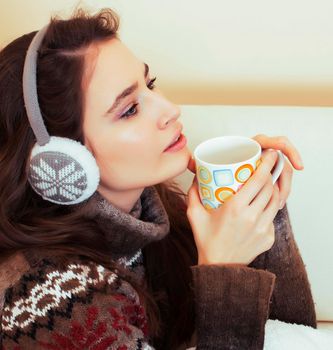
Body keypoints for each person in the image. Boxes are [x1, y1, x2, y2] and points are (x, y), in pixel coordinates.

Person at [0, 8, 316, 350]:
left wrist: (262, 205)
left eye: (150, 84)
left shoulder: (156, 213)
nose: (169, 110)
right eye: (130, 109)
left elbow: (293, 336)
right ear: (62, 162)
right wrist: (224, 269)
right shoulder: (49, 295)